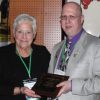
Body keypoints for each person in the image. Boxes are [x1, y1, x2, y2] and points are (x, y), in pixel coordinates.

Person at [48, 1, 100, 100]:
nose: (67, 21)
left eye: (72, 17)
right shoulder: (56, 48)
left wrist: (72, 86)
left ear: (81, 19)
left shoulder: (96, 45)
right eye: (64, 17)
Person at [0, 13, 50, 100]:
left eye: (28, 32)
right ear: (14, 33)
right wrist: (20, 90)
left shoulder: (43, 52)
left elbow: (52, 79)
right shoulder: (2, 54)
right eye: (20, 32)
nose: (24, 37)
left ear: (34, 34)